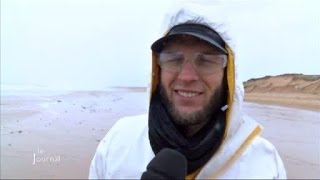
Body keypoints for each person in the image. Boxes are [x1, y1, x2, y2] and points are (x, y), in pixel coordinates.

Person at [89, 8, 287, 179]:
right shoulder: (117, 145)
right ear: (157, 69)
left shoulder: (263, 164)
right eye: (174, 59)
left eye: (206, 60)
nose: (187, 76)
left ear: (228, 74)